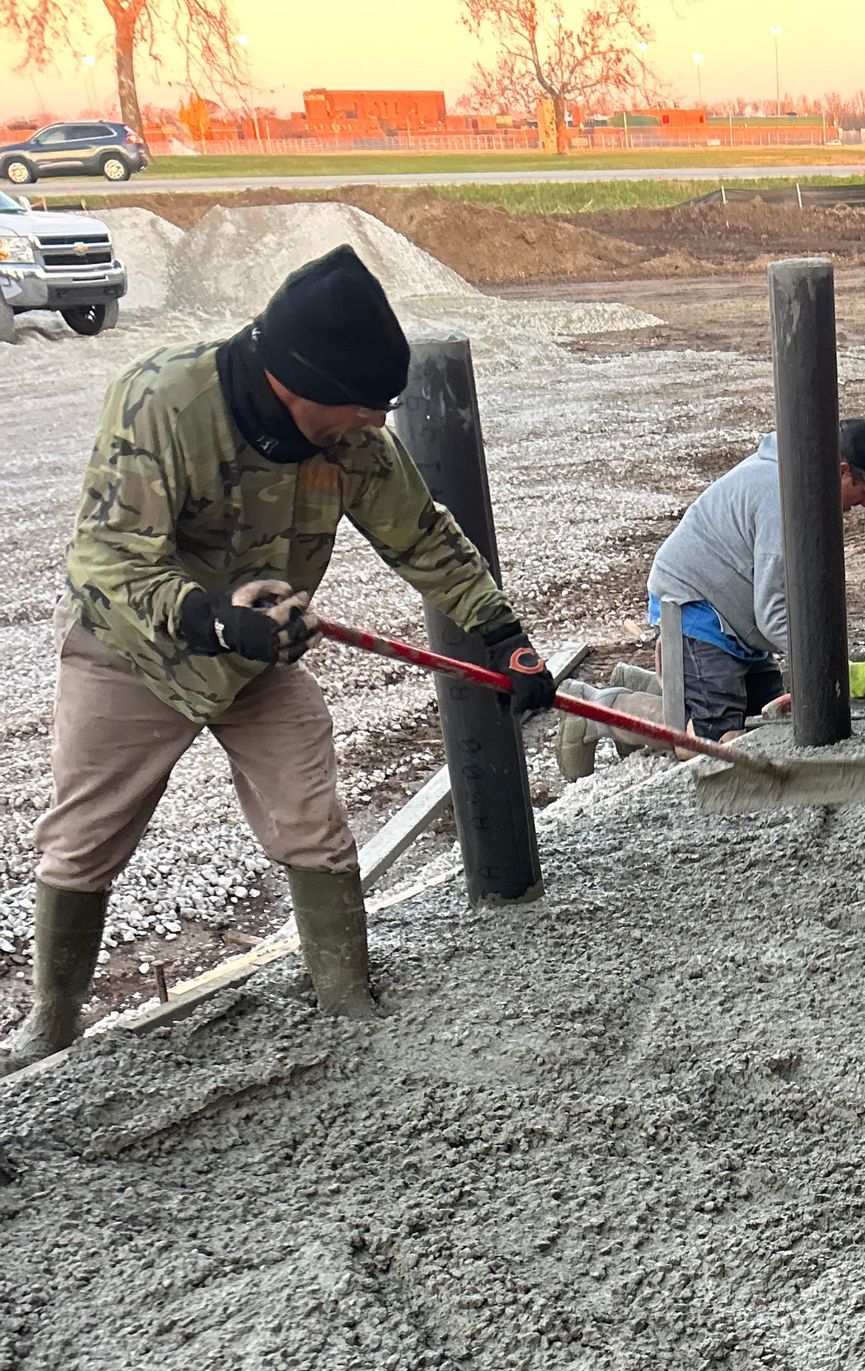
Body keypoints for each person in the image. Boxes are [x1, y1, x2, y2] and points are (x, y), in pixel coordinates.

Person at [3, 245, 558, 1071]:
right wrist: (214, 620)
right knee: (85, 835)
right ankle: (53, 1020)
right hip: (132, 650)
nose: (377, 424)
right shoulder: (165, 401)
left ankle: (343, 994)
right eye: (365, 406)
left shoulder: (352, 441)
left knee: (313, 815)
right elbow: (108, 559)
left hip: (257, 662)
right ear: (300, 383)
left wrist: (502, 633)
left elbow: (422, 534)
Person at [648, 420, 865, 741]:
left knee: (766, 721)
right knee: (718, 739)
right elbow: (773, 615)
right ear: (841, 471)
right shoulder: (783, 501)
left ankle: (672, 687)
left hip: (737, 619)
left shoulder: (804, 489)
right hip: (696, 605)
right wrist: (835, 668)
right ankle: (612, 708)